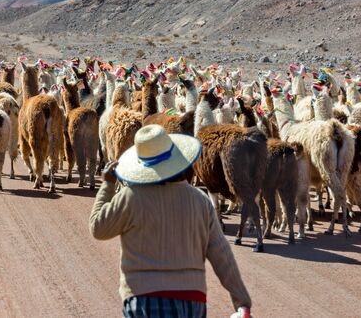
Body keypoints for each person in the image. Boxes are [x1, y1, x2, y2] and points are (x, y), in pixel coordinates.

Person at [89, 124, 252, 318]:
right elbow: (221, 254)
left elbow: (98, 228)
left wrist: (107, 185)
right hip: (192, 301)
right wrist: (241, 301)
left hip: (144, 300)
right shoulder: (200, 201)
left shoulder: (131, 198)